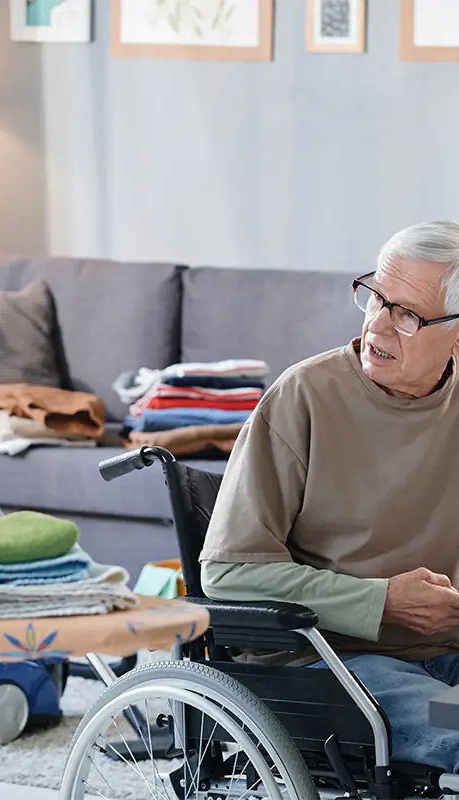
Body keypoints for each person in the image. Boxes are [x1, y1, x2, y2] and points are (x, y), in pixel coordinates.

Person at [200, 220, 459, 774]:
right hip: (332, 667)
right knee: (456, 723)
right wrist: (380, 602)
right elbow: (226, 575)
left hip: (444, 656)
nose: (379, 327)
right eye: (376, 299)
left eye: (408, 315)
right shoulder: (304, 398)